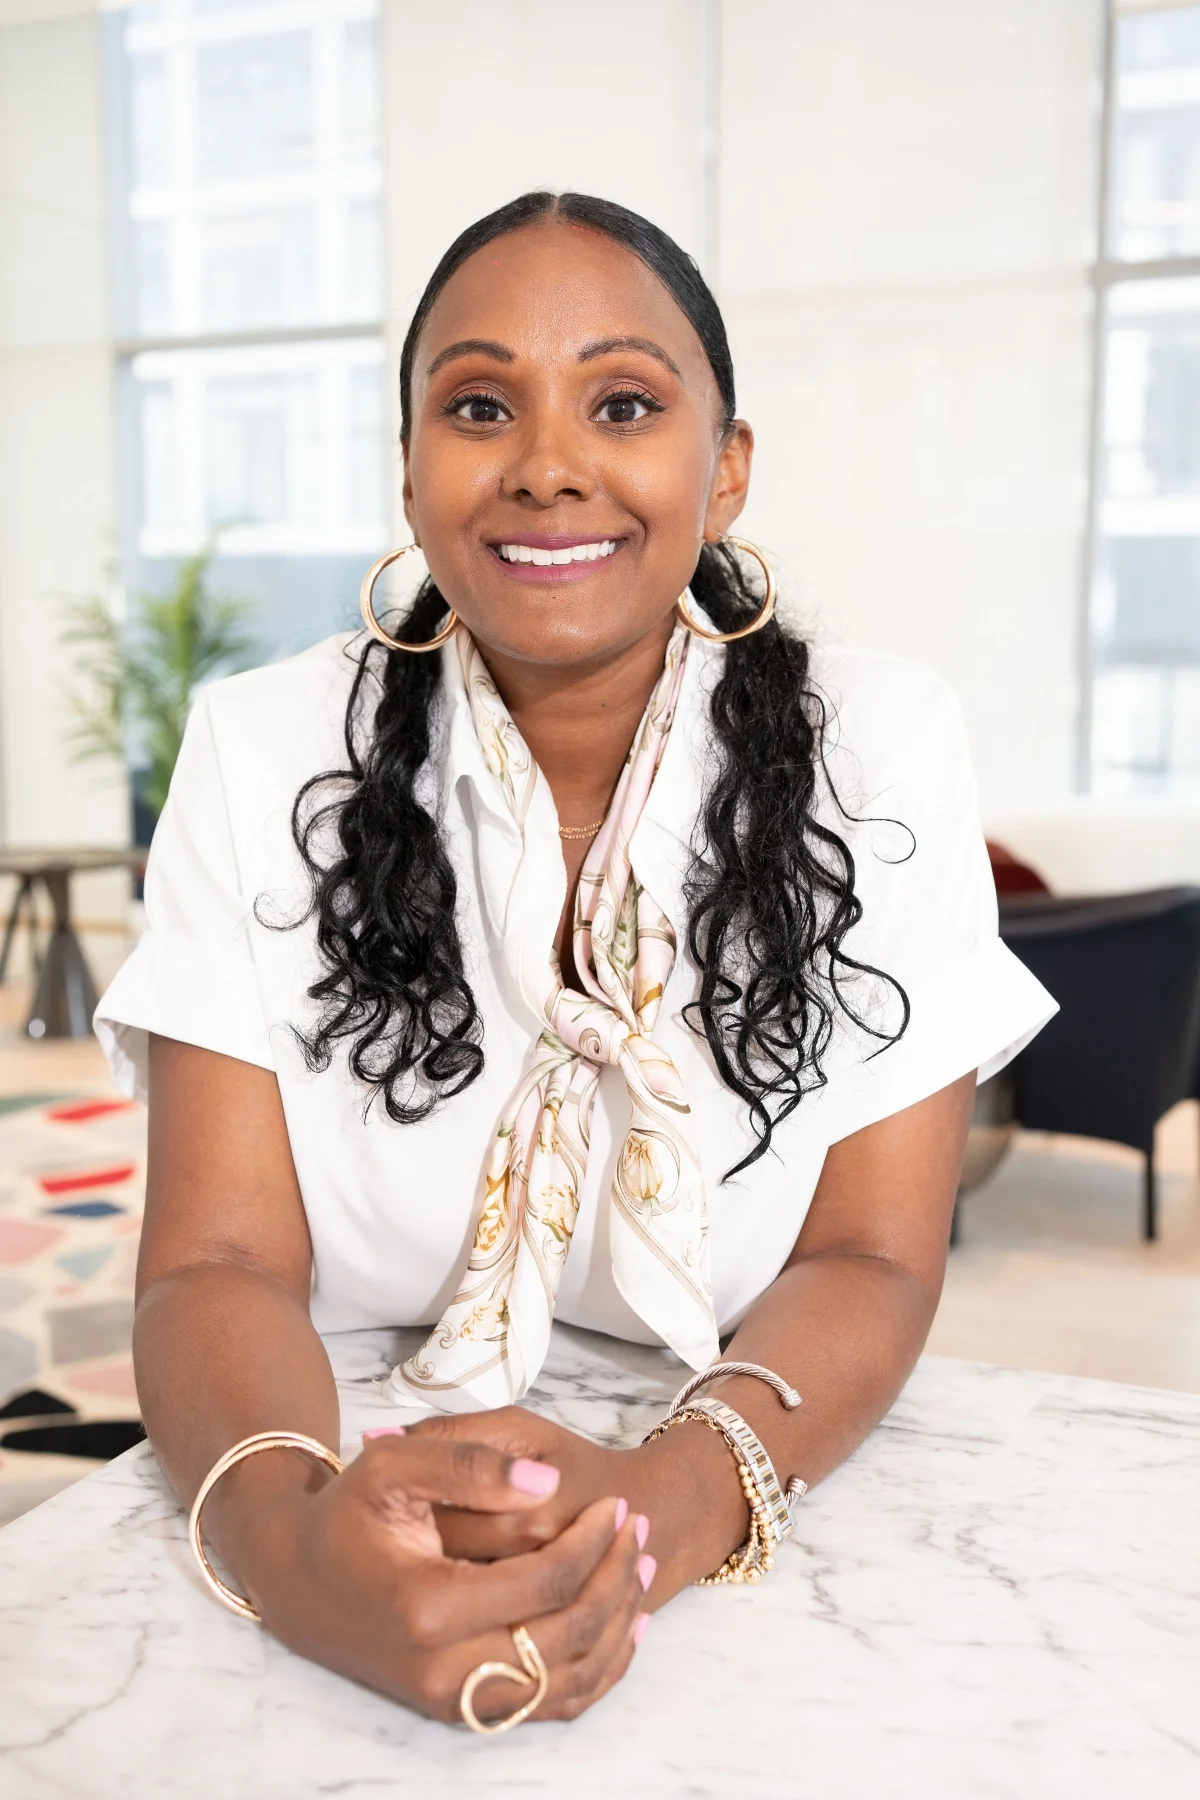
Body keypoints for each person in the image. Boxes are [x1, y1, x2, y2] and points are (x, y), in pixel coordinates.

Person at [96, 191, 1053, 1730]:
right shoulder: (259, 750)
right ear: (409, 468)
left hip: (756, 1495)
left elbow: (873, 1258)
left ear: (725, 468)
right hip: (338, 1431)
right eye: (480, 407)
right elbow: (217, 1265)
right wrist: (291, 1550)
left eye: (623, 405)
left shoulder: (881, 746)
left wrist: (657, 1510)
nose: (546, 464)